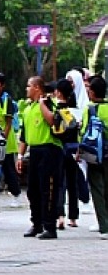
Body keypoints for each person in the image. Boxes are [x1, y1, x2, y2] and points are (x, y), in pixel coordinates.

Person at [16, 76, 64, 239]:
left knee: (48, 189)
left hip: (49, 150)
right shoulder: (28, 109)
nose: (26, 89)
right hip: (34, 151)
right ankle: (36, 223)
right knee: (33, 190)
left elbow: (52, 121)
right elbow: (23, 136)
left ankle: (49, 226)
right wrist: (20, 156)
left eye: (29, 86)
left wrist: (43, 103)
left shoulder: (49, 103)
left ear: (37, 87)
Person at [0, 72, 22, 208]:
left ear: (3, 85)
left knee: (8, 169)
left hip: (5, 141)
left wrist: (2, 140)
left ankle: (16, 194)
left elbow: (8, 123)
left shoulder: (7, 101)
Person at [81, 75, 108, 239]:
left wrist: (79, 152)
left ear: (92, 92)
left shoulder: (90, 109)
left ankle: (104, 226)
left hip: (94, 154)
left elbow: (84, 132)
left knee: (97, 190)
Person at [54, 77, 81, 230]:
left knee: (59, 183)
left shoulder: (56, 109)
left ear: (58, 92)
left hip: (59, 149)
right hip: (73, 149)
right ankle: (73, 217)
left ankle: (60, 216)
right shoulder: (76, 111)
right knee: (73, 183)